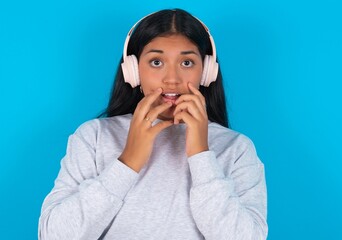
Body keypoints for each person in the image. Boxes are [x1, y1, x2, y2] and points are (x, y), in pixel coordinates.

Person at [38, 8, 268, 240]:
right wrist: (129, 160)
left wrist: (201, 155)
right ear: (133, 71)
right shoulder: (94, 137)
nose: (172, 78)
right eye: (156, 62)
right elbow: (53, 235)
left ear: (207, 72)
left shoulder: (236, 148)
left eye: (187, 63)